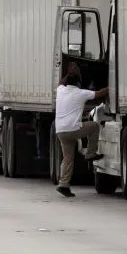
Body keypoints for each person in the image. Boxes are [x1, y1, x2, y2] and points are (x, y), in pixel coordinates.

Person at [55, 63, 108, 197]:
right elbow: (99, 93)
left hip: (60, 131)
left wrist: (69, 73)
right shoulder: (81, 93)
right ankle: (90, 153)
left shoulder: (60, 90)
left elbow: (61, 82)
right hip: (73, 130)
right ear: (78, 83)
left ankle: (63, 184)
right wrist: (113, 86)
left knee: (67, 159)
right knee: (94, 126)